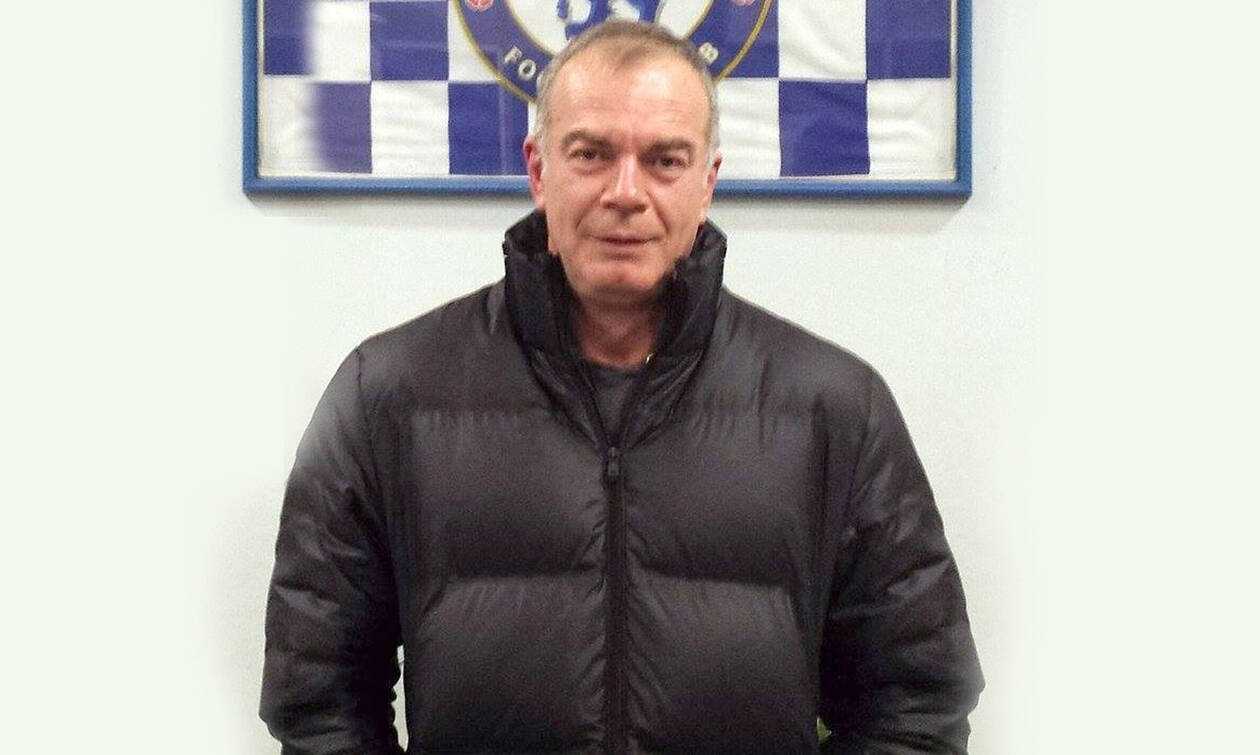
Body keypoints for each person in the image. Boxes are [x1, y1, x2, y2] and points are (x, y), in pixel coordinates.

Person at [260, 20, 983, 754]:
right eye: (592, 154)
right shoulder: (388, 394)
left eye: (665, 160)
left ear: (708, 181)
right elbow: (317, 698)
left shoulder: (835, 409)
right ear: (539, 170)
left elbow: (916, 702)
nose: (626, 192)